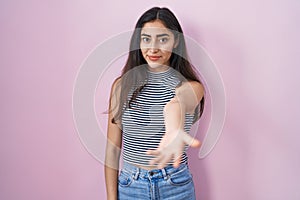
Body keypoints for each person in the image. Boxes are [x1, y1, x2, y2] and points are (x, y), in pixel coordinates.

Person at [105, 7, 205, 200]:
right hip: (131, 186)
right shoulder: (121, 86)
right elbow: (112, 150)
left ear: (175, 41)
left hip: (176, 186)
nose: (153, 48)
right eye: (146, 39)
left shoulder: (190, 86)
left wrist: (173, 130)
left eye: (163, 39)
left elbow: (177, 103)